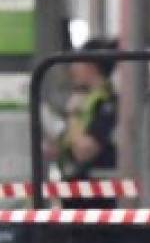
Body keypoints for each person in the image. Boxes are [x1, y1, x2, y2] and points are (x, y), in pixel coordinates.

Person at [44, 40, 118, 186]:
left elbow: (84, 151)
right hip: (75, 189)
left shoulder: (106, 103)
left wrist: (74, 114)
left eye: (78, 63)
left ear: (92, 66)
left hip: (96, 195)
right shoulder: (85, 100)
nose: (72, 69)